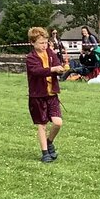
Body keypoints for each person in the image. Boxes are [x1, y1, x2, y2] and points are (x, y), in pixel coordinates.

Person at [24, 26, 69, 163]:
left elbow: (56, 64)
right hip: (37, 96)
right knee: (41, 124)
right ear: (32, 43)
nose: (44, 46)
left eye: (45, 42)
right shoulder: (30, 58)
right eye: (41, 43)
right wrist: (53, 69)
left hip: (52, 94)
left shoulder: (50, 53)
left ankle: (50, 142)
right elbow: (37, 71)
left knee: (58, 123)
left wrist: (60, 69)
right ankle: (45, 153)